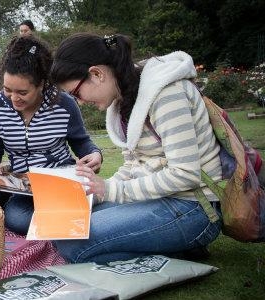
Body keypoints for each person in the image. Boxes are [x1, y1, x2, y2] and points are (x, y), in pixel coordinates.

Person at [49, 33, 223, 263]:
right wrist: (95, 191)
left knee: (74, 245)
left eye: (76, 93)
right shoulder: (124, 98)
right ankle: (173, 247)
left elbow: (185, 174)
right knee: (65, 227)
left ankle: (180, 249)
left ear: (96, 73)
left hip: (194, 207)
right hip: (159, 199)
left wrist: (109, 190)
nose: (79, 102)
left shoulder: (167, 93)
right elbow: (134, 164)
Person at [0, 36, 102, 235]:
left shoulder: (64, 104)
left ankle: (65, 217)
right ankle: (68, 219)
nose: (13, 98)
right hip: (23, 188)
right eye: (7, 89)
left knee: (30, 219)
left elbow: (82, 142)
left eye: (22, 92)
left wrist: (95, 154)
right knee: (16, 218)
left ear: (42, 84)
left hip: (60, 181)